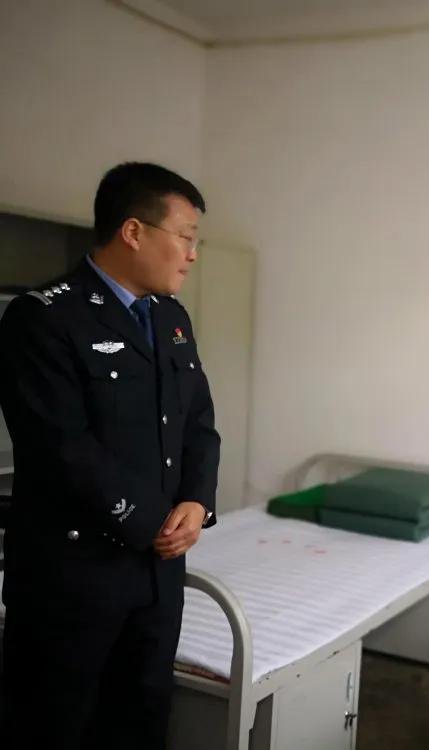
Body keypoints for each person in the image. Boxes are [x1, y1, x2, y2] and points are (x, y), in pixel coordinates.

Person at [0, 162, 221, 749]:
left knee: (141, 721)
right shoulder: (44, 317)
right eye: (186, 236)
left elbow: (198, 423)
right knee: (54, 726)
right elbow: (62, 449)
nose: (192, 255)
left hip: (156, 577)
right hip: (72, 579)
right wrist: (154, 522)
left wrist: (196, 502)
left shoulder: (170, 318)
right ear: (133, 232)